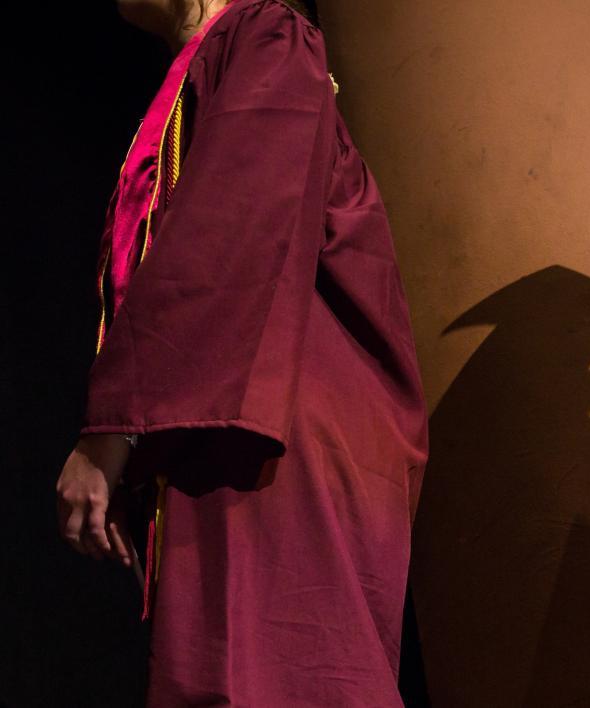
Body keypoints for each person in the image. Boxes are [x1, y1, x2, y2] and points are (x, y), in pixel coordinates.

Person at [54, 0, 428, 704]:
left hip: (265, 427)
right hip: (210, 425)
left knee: (283, 676)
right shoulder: (195, 73)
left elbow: (232, 223)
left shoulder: (268, 35)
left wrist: (117, 426)